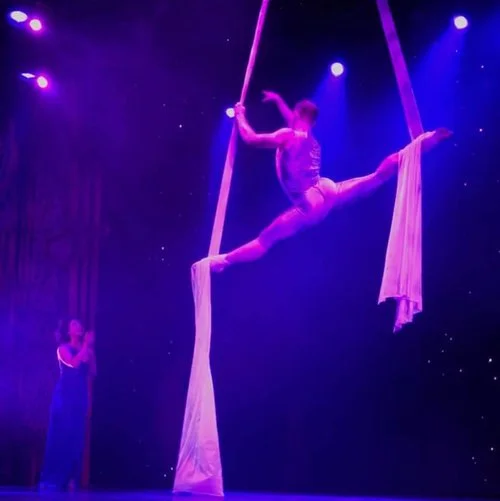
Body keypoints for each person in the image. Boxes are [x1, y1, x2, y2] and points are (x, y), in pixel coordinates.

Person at [209, 91, 452, 271]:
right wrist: (279, 101)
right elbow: (294, 119)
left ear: (297, 115)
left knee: (265, 239)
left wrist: (240, 115)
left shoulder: (287, 136)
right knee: (376, 176)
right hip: (327, 188)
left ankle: (223, 261)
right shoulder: (311, 139)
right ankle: (423, 143)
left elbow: (251, 139)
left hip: (309, 202)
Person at [39, 320, 96, 492]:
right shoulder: (62, 349)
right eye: (74, 325)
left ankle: (71, 478)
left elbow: (92, 373)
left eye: (79, 324)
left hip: (79, 396)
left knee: (76, 437)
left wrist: (90, 352)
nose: (78, 327)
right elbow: (73, 363)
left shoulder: (88, 351)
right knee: (61, 434)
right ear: (69, 331)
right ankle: (53, 478)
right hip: (64, 396)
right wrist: (85, 345)